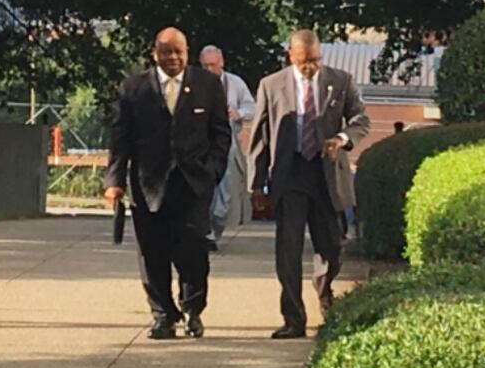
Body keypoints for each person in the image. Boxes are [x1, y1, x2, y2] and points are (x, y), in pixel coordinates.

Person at [104, 27, 231, 339]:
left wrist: (213, 169)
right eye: (166, 52)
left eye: (179, 52)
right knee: (152, 254)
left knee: (193, 252)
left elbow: (221, 134)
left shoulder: (208, 84)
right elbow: (120, 138)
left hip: (193, 185)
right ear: (154, 53)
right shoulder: (134, 88)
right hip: (149, 186)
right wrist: (114, 181)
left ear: (187, 53)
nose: (173, 58)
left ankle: (192, 310)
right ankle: (162, 315)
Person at [248, 29, 370, 339]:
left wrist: (341, 140)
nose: (309, 67)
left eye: (315, 60)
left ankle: (325, 289)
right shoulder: (271, 85)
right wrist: (256, 186)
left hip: (325, 173)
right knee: (288, 250)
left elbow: (360, 119)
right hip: (289, 175)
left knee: (332, 245)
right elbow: (260, 138)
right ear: (291, 55)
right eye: (303, 61)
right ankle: (293, 319)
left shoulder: (340, 81)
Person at [199, 45, 256, 251]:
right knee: (202, 189)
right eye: (205, 65)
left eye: (213, 65)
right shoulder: (194, 82)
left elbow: (252, 107)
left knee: (225, 192)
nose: (209, 69)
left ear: (221, 63)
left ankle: (216, 227)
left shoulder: (235, 83)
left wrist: (239, 113)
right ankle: (206, 234)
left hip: (227, 144)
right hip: (200, 144)